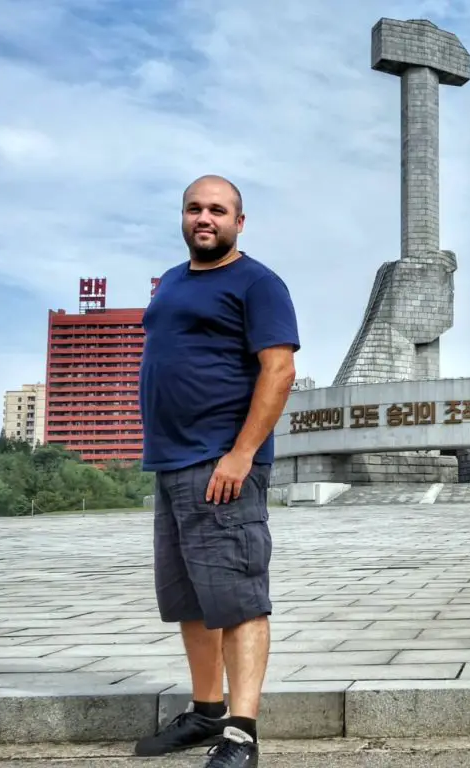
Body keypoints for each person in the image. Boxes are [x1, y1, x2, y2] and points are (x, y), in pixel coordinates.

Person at [134, 175, 299, 768]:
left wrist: (242, 452)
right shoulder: (173, 282)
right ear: (183, 216)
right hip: (172, 463)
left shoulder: (257, 282)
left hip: (221, 463)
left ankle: (241, 734)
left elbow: (278, 371)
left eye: (218, 210)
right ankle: (205, 711)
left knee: (238, 597)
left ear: (239, 222)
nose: (205, 218)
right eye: (195, 208)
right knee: (191, 600)